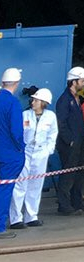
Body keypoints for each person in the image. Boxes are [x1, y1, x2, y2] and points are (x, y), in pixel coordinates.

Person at [9, 88, 58, 230]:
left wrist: (48, 151)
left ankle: (31, 216)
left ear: (43, 103)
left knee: (35, 186)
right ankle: (16, 219)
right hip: (25, 152)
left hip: (41, 153)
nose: (33, 102)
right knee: (20, 186)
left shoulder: (51, 117)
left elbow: (52, 135)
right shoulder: (24, 115)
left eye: (36, 100)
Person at [56, 65, 84, 216]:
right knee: (68, 175)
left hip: (79, 143)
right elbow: (61, 123)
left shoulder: (78, 99)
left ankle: (77, 201)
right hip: (69, 145)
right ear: (74, 81)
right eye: (82, 80)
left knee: (79, 174)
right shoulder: (64, 100)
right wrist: (70, 141)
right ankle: (64, 205)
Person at [0, 70, 25, 239]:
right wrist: (21, 148)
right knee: (5, 190)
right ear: (16, 83)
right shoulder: (13, 103)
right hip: (9, 156)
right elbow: (17, 132)